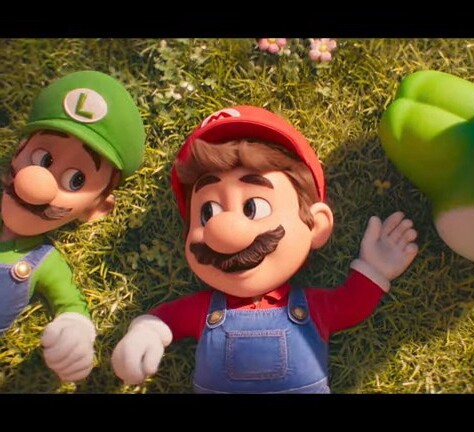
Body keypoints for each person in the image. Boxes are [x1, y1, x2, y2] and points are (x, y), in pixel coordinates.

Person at [112, 105, 417, 393]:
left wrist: (374, 269)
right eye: (208, 213)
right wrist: (146, 332)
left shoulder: (312, 307)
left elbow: (350, 306)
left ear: (316, 225)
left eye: (253, 207)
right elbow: (167, 319)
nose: (224, 232)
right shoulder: (203, 310)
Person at [1, 70, 145, 382]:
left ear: (96, 209)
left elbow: (71, 305)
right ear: (19, 149)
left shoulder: (43, 261)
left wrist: (73, 334)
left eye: (75, 180)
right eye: (41, 158)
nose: (36, 184)